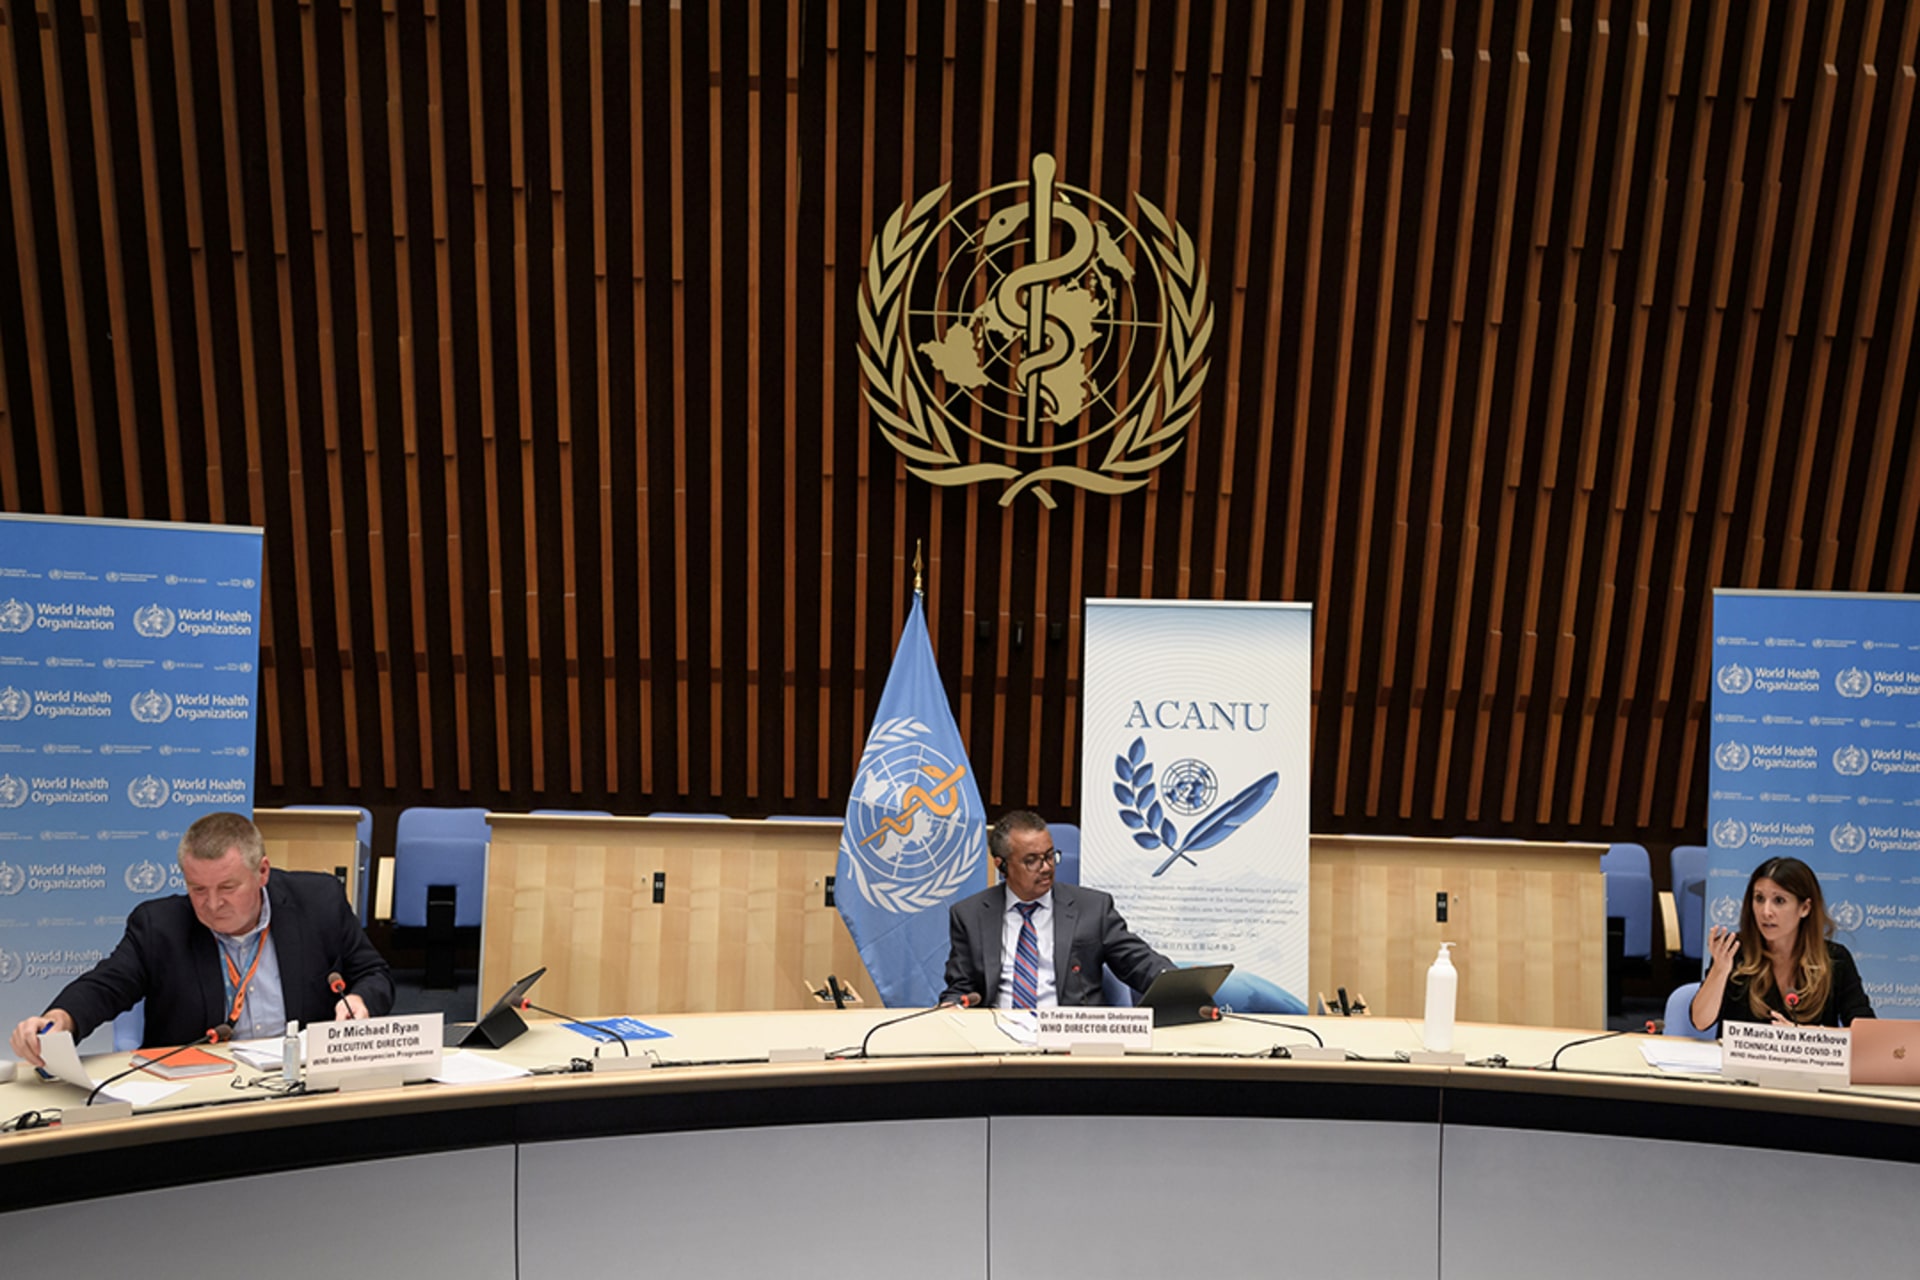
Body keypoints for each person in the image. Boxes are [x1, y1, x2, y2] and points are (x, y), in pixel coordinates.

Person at [9, 811, 393, 1067]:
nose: (212, 904)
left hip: (302, 1081)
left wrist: (360, 1000)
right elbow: (106, 985)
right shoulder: (159, 926)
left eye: (227, 887)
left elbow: (374, 973)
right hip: (199, 1093)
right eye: (197, 889)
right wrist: (60, 1019)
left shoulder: (318, 901)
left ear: (262, 872)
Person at [941, 810, 1174, 1008]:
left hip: (1071, 1038)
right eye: (1032, 860)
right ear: (1002, 865)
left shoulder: (1092, 909)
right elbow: (961, 987)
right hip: (998, 1040)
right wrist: (952, 1005)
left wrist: (1183, 987)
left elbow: (1139, 964)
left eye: (1050, 856)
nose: (1046, 868)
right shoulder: (970, 915)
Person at [1689, 855, 1873, 1033]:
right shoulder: (1734, 951)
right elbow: (1700, 1022)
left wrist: (1803, 1034)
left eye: (1779, 900)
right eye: (1759, 899)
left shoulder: (1835, 959)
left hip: (1806, 1064)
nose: (1766, 911)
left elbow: (1867, 1033)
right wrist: (1719, 971)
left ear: (1805, 908)